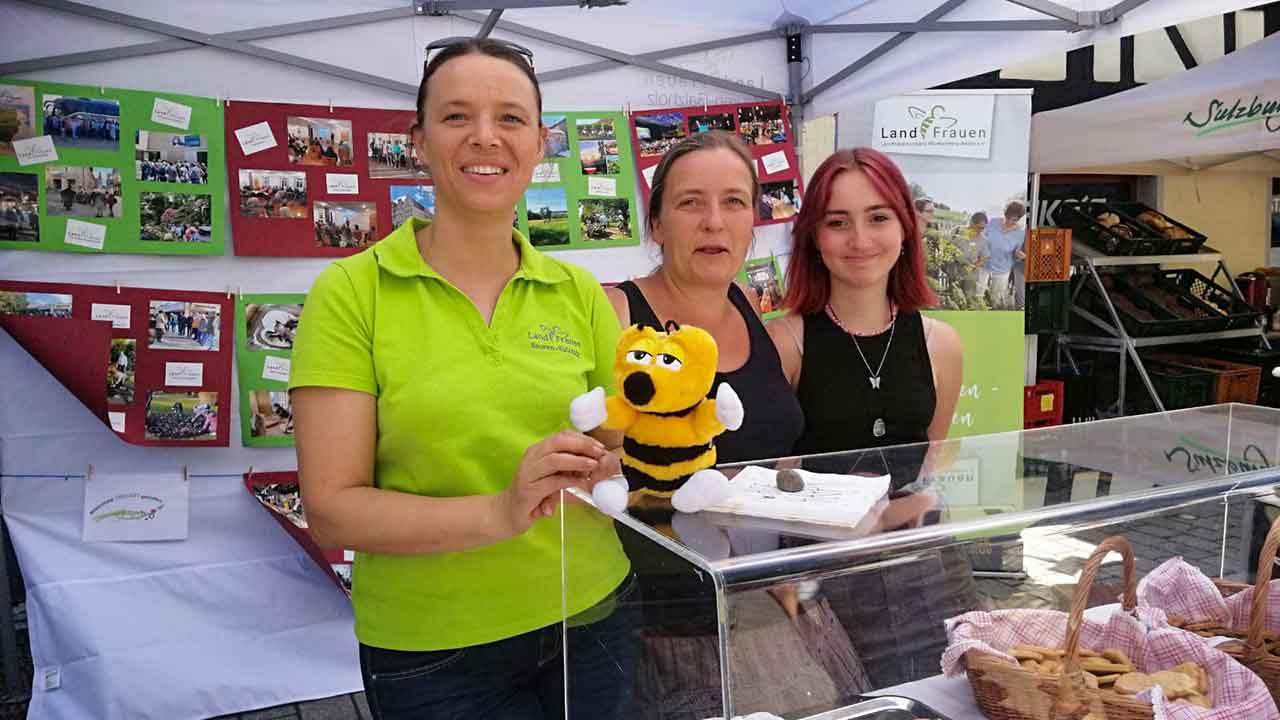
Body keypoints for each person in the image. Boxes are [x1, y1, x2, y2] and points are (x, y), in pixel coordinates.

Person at [289, 37, 633, 720]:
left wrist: (626, 461)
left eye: (510, 118)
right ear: (418, 141)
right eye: (456, 116)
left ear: (540, 144)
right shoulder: (351, 293)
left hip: (594, 616)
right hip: (434, 652)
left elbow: (623, 448)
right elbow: (330, 510)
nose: (485, 137)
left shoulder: (578, 291)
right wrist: (500, 512)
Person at [767, 147, 969, 688]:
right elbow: (773, 486)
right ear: (814, 236)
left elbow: (927, 464)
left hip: (923, 570)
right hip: (819, 579)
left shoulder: (941, 344)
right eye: (838, 222)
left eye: (877, 217)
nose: (859, 240)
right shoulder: (784, 342)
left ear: (905, 228)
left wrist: (908, 511)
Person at [978, 200, 1027, 309]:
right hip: (984, 264)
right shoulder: (993, 222)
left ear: (1019, 219)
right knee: (978, 295)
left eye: (1013, 220)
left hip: (1002, 268)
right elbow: (981, 238)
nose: (1009, 221)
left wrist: (1019, 255)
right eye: (1007, 217)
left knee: (996, 300)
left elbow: (1017, 253)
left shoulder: (1020, 233)